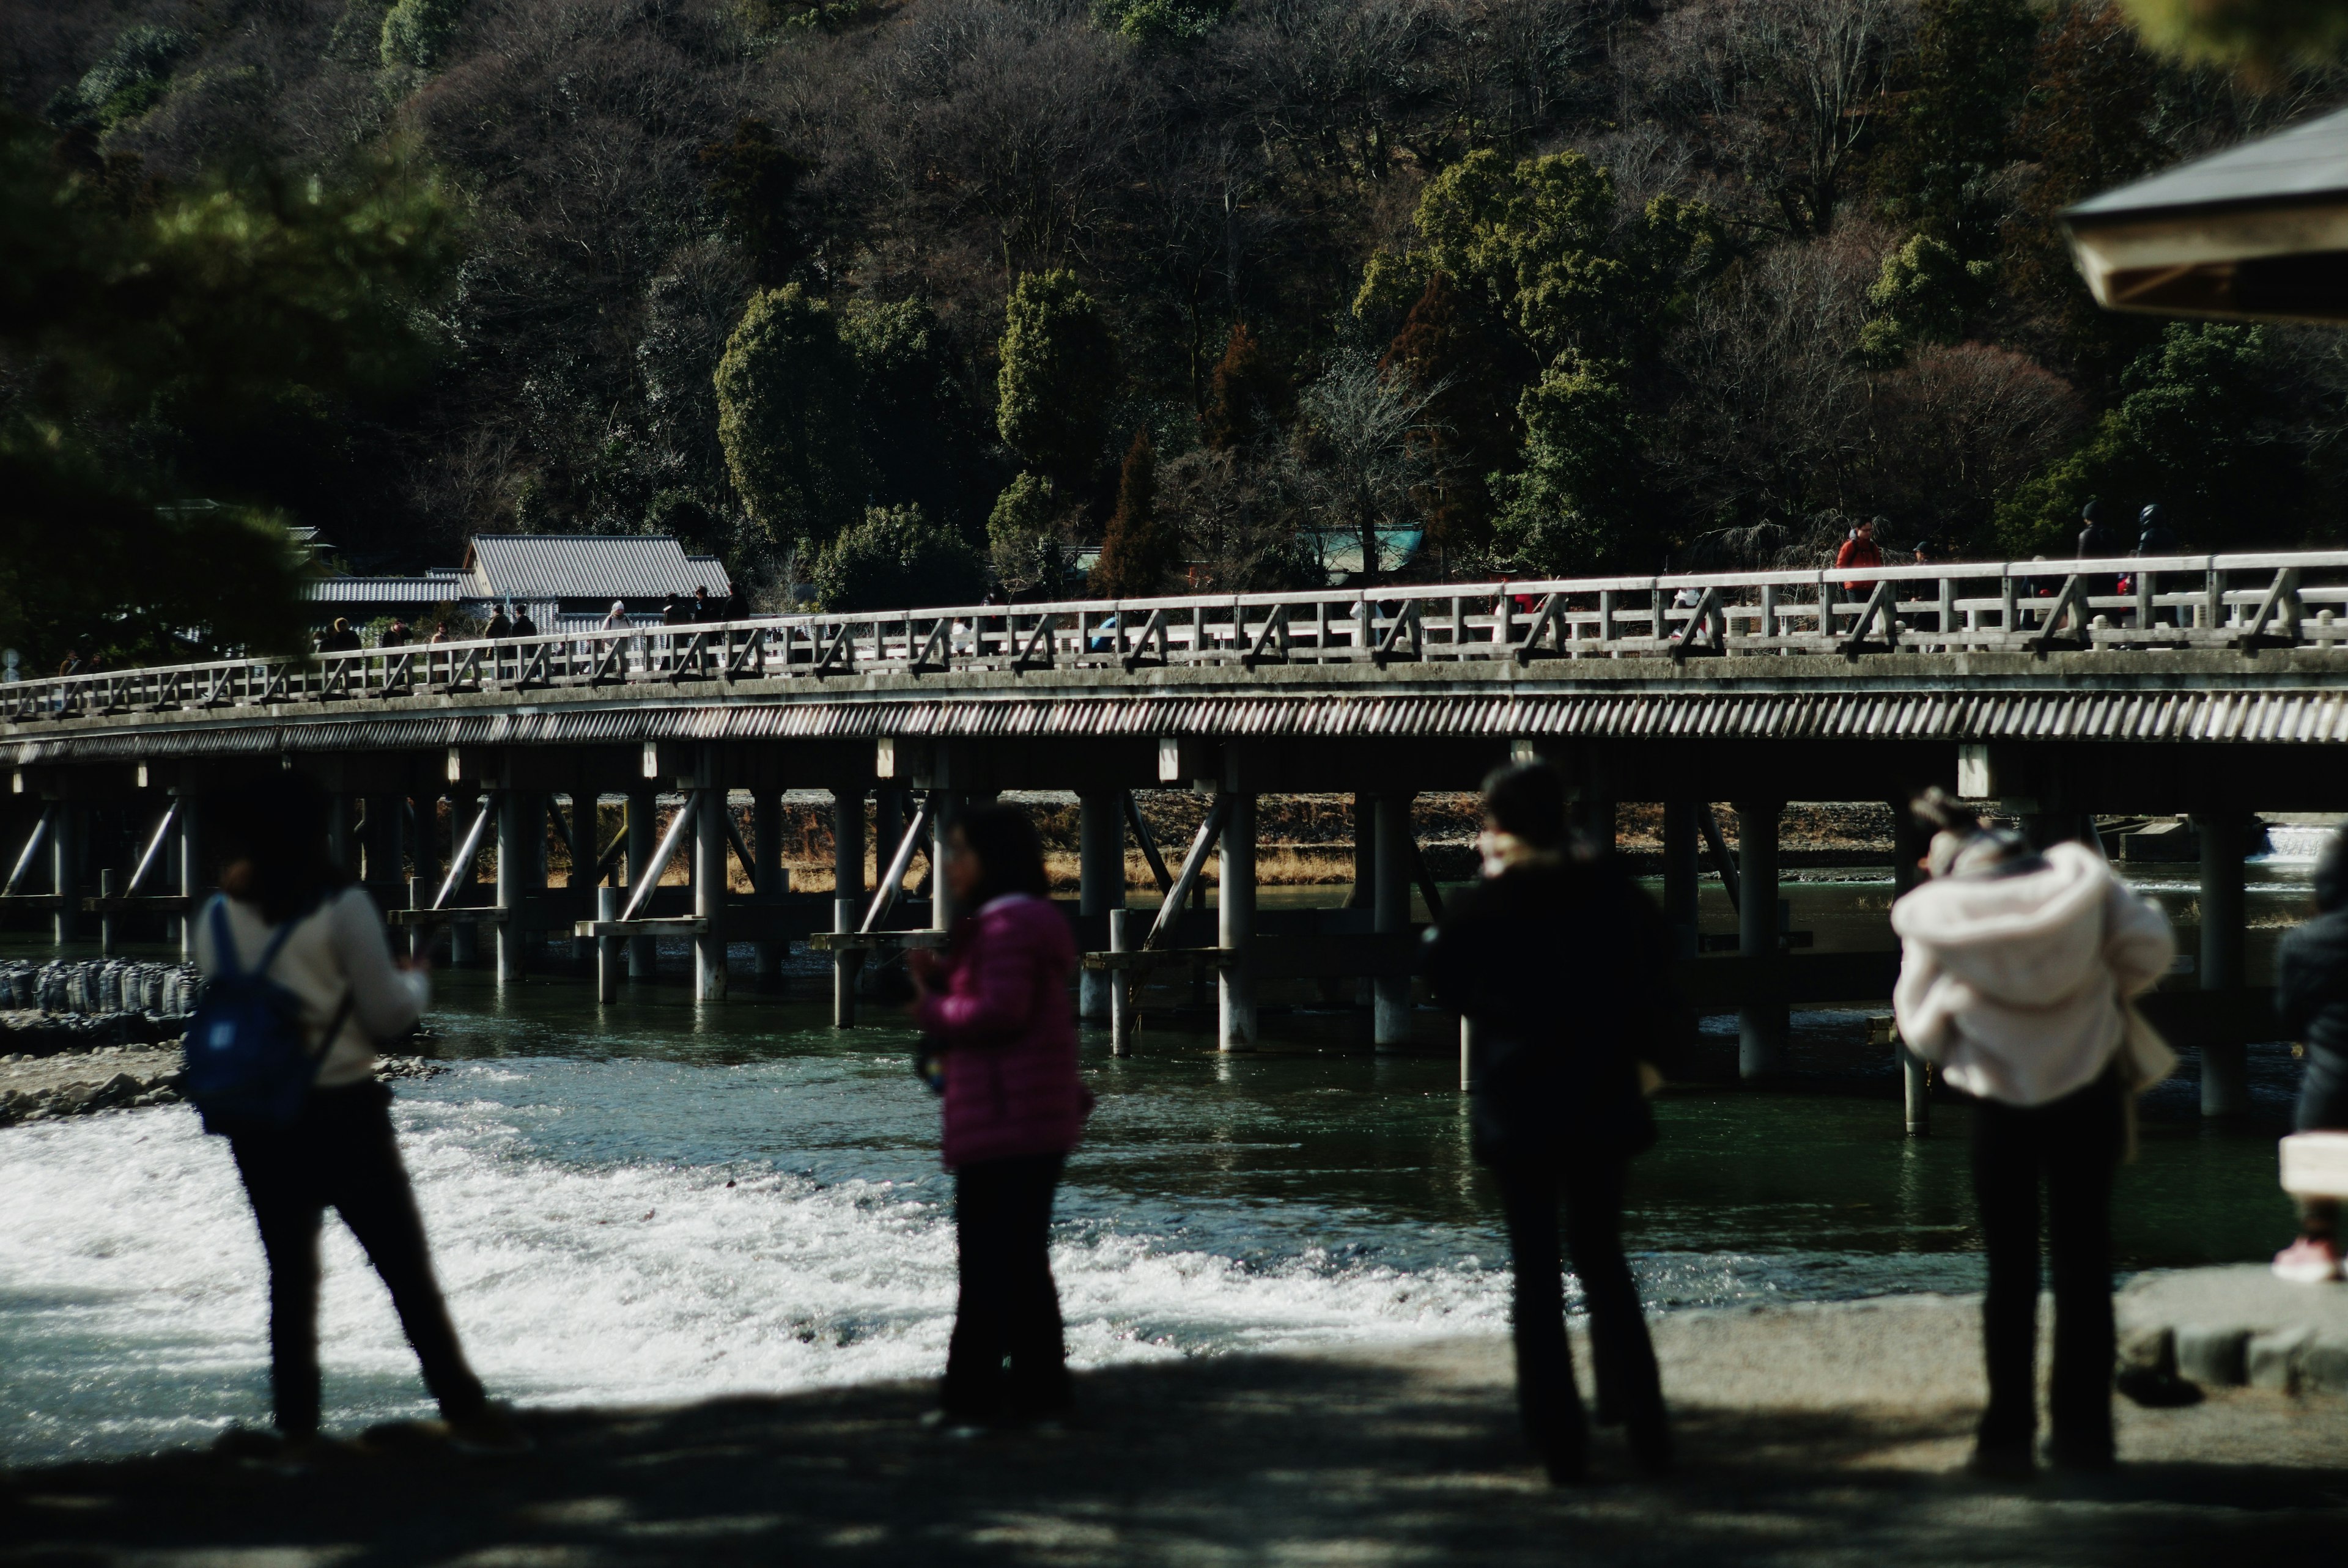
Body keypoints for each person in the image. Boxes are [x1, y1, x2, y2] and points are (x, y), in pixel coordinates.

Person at [195, 775, 523, 1459]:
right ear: (314, 833)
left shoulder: (219, 917)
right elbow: (387, 1016)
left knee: (290, 1279)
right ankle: (463, 1407)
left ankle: (296, 1431)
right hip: (342, 1111)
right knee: (404, 1268)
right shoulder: (341, 907)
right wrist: (416, 981)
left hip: (257, 1118)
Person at [1891, 795, 2174, 1479]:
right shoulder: (2083, 880)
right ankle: (2085, 1436)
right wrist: (2094, 991)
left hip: (2000, 1103)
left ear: (1947, 864)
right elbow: (2152, 950)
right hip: (2091, 1093)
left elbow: (1922, 1031)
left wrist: (1973, 1013)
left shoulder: (1939, 916)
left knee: (2010, 1272)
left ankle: (2006, 1438)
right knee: (2085, 1260)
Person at [1422, 762, 1676, 1484]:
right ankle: (1645, 1426)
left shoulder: (1491, 905)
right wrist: (1646, 1069)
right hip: (1602, 1097)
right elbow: (1659, 970)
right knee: (1604, 1261)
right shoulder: (1611, 892)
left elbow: (1443, 973)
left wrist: (1500, 882)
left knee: (1535, 1275)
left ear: (1499, 829)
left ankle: (1557, 1439)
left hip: (1521, 1106)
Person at [907, 804, 1090, 1432]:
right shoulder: (1012, 924)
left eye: (961, 853)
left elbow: (999, 1014)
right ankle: (1039, 1401)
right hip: (1022, 1120)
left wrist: (930, 1007)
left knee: (989, 1266)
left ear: (994, 861)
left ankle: (977, 1404)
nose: (950, 865)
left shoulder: (1008, 925)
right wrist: (943, 982)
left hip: (1011, 1124)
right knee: (1016, 1264)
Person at [2273, 826, 2348, 1282]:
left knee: (2320, 1101)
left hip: (2330, 1096)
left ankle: (2318, 1239)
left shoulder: (2301, 943)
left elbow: (2289, 1022)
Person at [1835, 515, 1883, 594]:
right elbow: (1840, 566)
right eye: (1865, 530)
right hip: (1853, 588)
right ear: (1858, 530)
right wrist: (1849, 579)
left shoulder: (1873, 547)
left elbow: (1877, 566)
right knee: (1856, 606)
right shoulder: (1849, 546)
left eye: (1870, 530)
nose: (1868, 533)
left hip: (1870, 588)